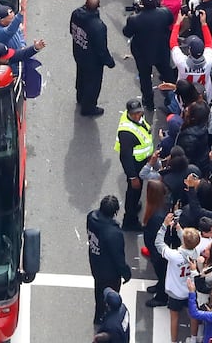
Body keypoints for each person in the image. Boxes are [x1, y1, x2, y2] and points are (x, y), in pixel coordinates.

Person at [87, 195, 131, 325]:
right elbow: (118, 257)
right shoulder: (113, 233)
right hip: (109, 271)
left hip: (95, 261)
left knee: (99, 290)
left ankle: (98, 315)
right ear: (115, 212)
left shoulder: (91, 217)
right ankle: (107, 319)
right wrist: (126, 273)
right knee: (110, 295)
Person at [70, 0, 116, 116]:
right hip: (92, 61)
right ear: (98, 6)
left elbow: (72, 30)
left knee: (81, 76)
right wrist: (109, 61)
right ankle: (88, 107)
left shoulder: (75, 14)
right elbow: (101, 49)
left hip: (79, 52)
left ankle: (80, 97)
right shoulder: (98, 27)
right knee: (93, 84)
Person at [115, 98, 155, 231]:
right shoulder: (126, 133)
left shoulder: (136, 119)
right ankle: (129, 220)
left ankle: (133, 207)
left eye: (139, 112)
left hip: (141, 161)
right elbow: (125, 157)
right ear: (129, 113)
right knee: (134, 191)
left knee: (136, 190)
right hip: (134, 165)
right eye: (134, 114)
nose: (137, 116)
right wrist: (133, 177)